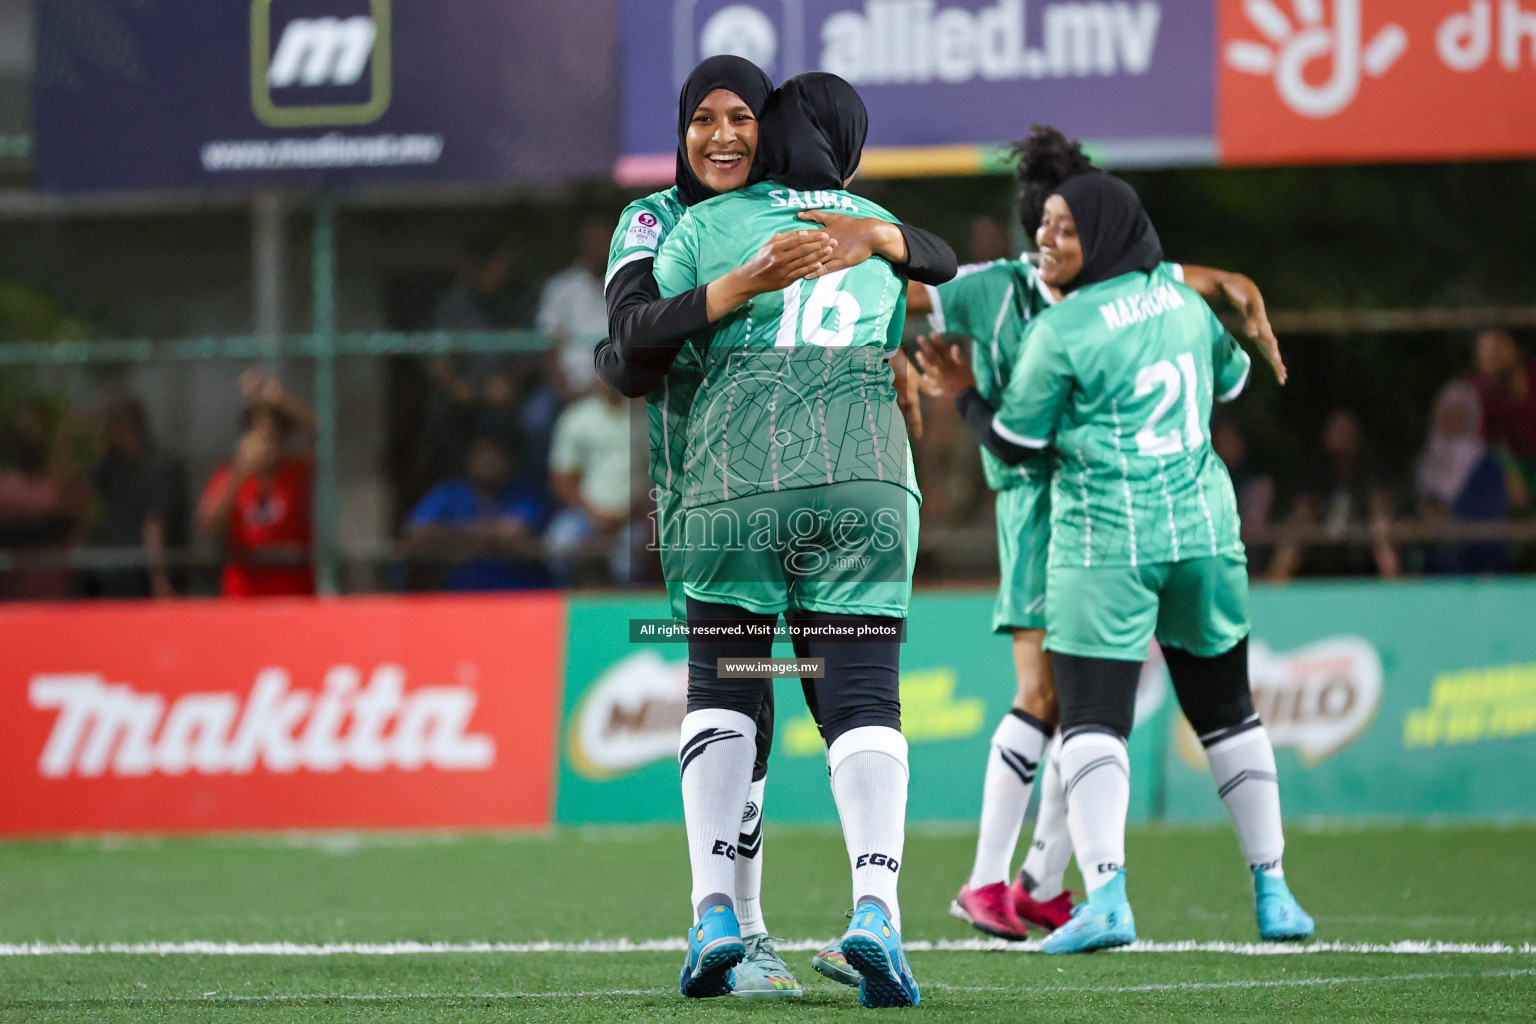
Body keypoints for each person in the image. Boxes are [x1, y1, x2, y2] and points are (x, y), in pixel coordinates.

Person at [593, 54, 954, 999]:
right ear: (679, 130)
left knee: (737, 684)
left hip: (727, 486)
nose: (722, 136)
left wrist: (888, 346)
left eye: (743, 118)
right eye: (703, 118)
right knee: (843, 693)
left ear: (772, 131)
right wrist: (766, 284)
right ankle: (839, 915)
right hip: (848, 487)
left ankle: (730, 921)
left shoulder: (711, 224)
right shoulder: (664, 218)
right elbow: (626, 350)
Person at [918, 171, 1312, 953]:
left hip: (1108, 542)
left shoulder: (1064, 330)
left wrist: (962, 390)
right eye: (1046, 226)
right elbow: (1228, 380)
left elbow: (1017, 443)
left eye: (1065, 228)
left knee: (1094, 722)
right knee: (1230, 712)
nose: (1046, 241)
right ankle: (1274, 891)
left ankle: (1105, 899)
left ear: (1101, 237)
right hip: (1203, 532)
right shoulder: (1182, 299)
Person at [195, 370, 316, 598]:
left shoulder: (295, 473)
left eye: (271, 437)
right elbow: (207, 523)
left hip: (291, 587)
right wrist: (240, 473)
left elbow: (323, 433)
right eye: (258, 437)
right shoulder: (230, 474)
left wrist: (278, 397)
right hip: (244, 589)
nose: (265, 447)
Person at [403, 433, 551, 590]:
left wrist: (450, 540)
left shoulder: (525, 494)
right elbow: (415, 533)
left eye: (496, 456)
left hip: (519, 595)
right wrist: (489, 538)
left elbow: (512, 535)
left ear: (510, 461)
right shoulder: (450, 492)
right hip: (461, 597)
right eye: (482, 455)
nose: (488, 462)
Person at [1266, 409, 1400, 580]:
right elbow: (1303, 508)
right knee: (1297, 526)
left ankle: (1394, 585)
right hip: (1320, 547)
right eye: (1337, 429)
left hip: (1362, 546)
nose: (1342, 435)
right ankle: (1275, 589)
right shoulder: (1315, 466)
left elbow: (1378, 502)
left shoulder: (1369, 466)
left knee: (1380, 524)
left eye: (1346, 429)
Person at [88, 394, 186, 599]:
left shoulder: (161, 466)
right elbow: (75, 497)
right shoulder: (110, 465)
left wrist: (159, 582)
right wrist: (66, 434)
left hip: (150, 584)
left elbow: (154, 525)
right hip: (114, 581)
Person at [1417, 380, 1511, 575]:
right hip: (1430, 572)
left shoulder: (1487, 464)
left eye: (1458, 413)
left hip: (1478, 568)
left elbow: (1492, 514)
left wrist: (1448, 518)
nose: (1451, 419)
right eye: (1446, 413)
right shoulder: (1425, 463)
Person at [0, 399, 88, 600]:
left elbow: (74, 512)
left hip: (59, 599)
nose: (31, 437)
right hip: (13, 600)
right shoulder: (7, 488)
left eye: (35, 431)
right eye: (24, 432)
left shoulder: (59, 486)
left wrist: (66, 438)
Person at [545, 383, 632, 583]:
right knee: (558, 543)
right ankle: (566, 603)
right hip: (585, 514)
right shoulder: (577, 417)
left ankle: (633, 607)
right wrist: (595, 515)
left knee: (639, 554)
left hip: (635, 516)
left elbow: (657, 477)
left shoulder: (647, 415)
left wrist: (628, 513)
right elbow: (561, 477)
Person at [538, 214, 614, 400]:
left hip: (618, 386)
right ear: (583, 244)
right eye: (593, 241)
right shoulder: (561, 287)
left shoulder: (634, 287)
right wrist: (564, 390)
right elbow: (547, 347)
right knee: (536, 419)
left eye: (604, 241)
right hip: (568, 386)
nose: (599, 248)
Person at [1470, 327, 1536, 509]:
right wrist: (1511, 474)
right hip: (1520, 463)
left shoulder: (1532, 373)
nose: (1490, 356)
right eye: (1484, 351)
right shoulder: (1482, 391)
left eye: (1496, 349)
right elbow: (1491, 440)